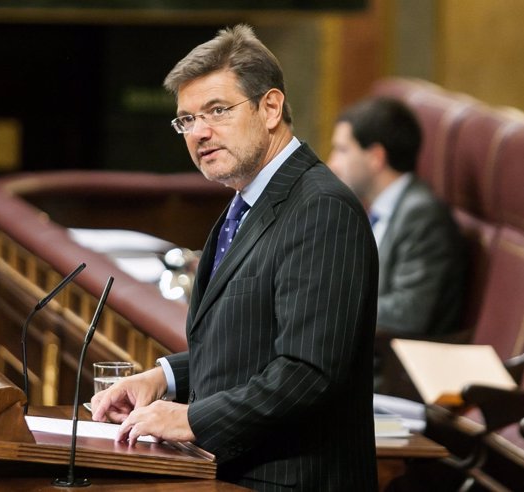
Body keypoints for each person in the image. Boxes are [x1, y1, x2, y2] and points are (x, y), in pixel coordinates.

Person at [91, 24, 379, 491]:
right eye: (187, 120)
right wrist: (162, 378)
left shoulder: (321, 208)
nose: (199, 133)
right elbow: (251, 345)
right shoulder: (246, 201)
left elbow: (309, 373)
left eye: (217, 111)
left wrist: (191, 419)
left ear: (270, 107)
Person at [328, 96, 466, 338]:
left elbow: (409, 312)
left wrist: (327, 306)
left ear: (376, 157)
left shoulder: (422, 216)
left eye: (342, 150)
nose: (332, 164)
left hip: (389, 367)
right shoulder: (380, 209)